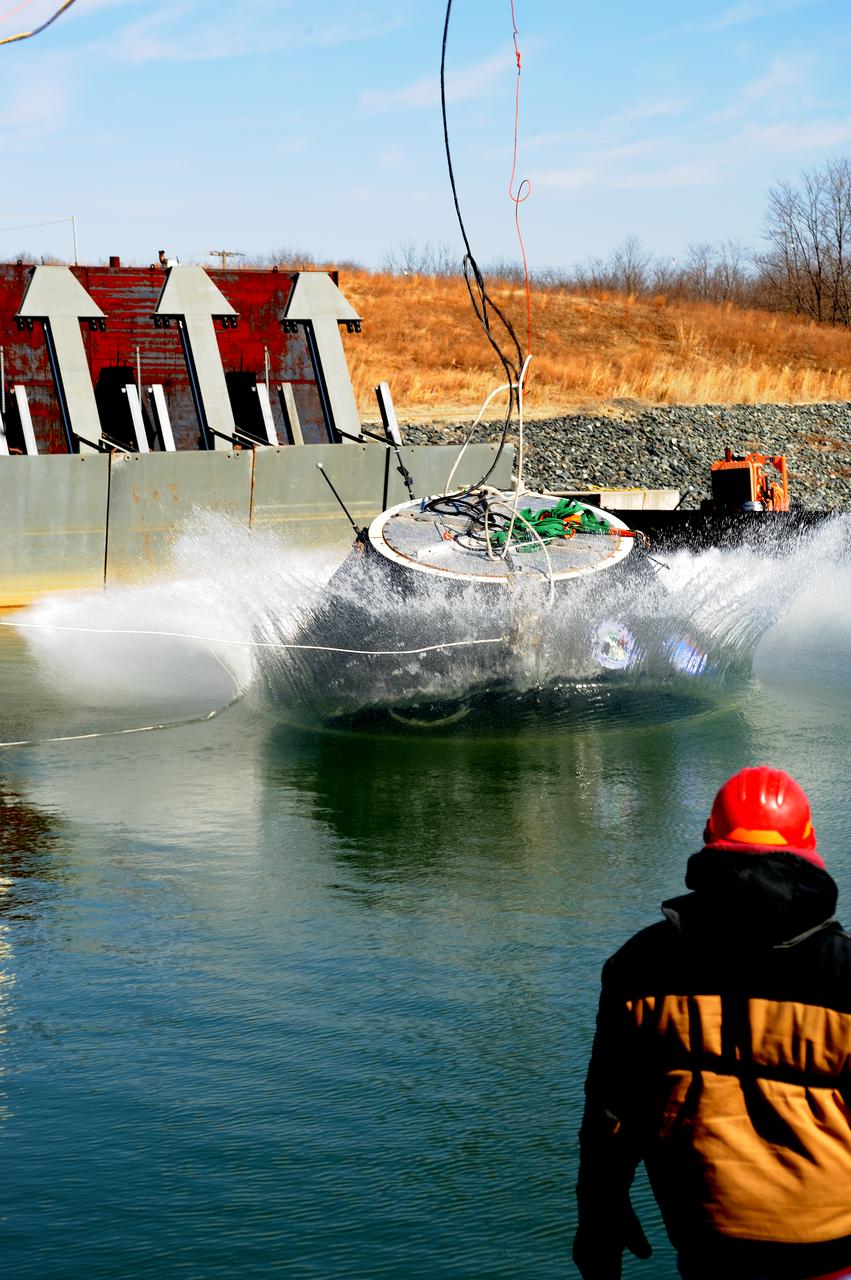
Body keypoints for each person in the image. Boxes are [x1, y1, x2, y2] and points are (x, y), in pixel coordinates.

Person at [573, 766, 851, 1280]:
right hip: (833, 1250)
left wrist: (599, 1214)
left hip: (709, 1246)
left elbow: (610, 1115)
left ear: (709, 842)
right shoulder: (845, 976)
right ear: (809, 846)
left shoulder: (640, 967)